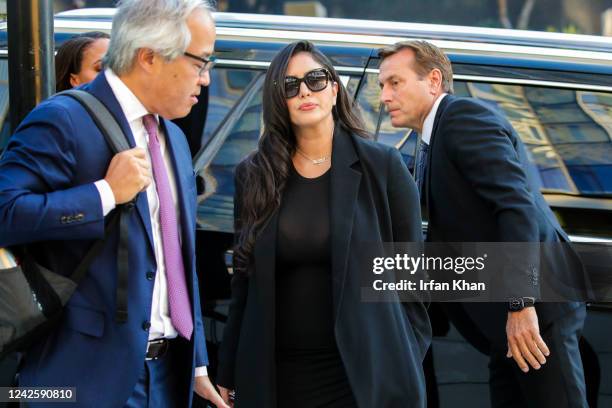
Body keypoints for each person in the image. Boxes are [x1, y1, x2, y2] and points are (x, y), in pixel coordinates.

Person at [0, 0, 228, 407]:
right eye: (201, 62)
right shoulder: (63, 119)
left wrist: (197, 365)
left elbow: (177, 254)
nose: (206, 79)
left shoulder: (171, 136)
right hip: (83, 377)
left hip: (168, 375)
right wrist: (105, 194)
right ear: (149, 57)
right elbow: (5, 213)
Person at [216, 40, 431, 408]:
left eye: (315, 79)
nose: (304, 91)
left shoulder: (382, 167)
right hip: (278, 376)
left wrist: (402, 356)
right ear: (279, 100)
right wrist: (230, 371)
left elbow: (413, 282)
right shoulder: (255, 175)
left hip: (359, 377)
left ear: (334, 88)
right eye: (290, 85)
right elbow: (244, 281)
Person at [378, 40, 588, 407]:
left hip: (536, 314)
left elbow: (516, 206)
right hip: (505, 324)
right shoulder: (428, 138)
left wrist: (520, 302)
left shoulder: (463, 119)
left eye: (395, 83)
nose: (384, 96)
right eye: (382, 85)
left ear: (433, 80)